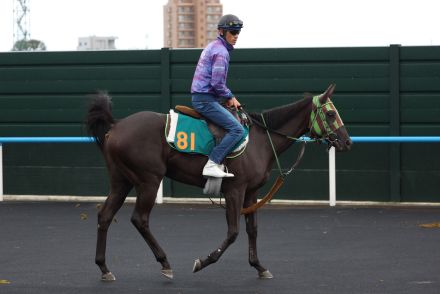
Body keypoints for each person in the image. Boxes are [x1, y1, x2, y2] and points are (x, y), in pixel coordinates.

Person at [191, 14, 244, 178]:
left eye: (238, 32)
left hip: (205, 97)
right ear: (222, 31)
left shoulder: (213, 46)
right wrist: (230, 97)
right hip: (205, 100)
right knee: (237, 130)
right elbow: (217, 84)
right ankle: (212, 163)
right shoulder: (221, 52)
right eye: (233, 32)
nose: (236, 36)